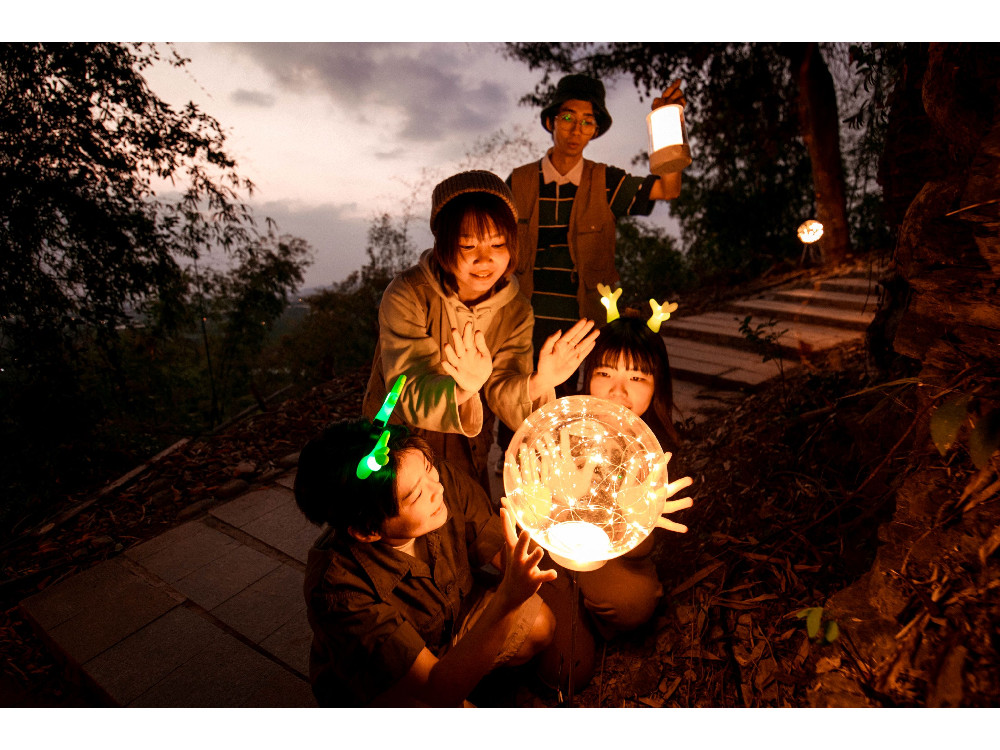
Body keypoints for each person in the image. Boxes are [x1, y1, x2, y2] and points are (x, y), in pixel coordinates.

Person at [362, 169, 598, 494]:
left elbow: (503, 390)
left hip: (469, 440)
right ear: (444, 244)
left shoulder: (515, 309)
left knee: (468, 521)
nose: (484, 259)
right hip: (397, 438)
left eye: (498, 244)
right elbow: (404, 391)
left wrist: (541, 381)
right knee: (399, 520)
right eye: (467, 245)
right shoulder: (407, 294)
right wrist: (461, 387)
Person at [294, 417, 558, 707]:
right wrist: (507, 599)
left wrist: (538, 517)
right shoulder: (338, 590)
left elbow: (506, 553)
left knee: (540, 624)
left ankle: (487, 685)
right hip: (387, 684)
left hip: (452, 624)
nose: (438, 488)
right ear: (368, 532)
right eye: (417, 494)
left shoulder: (440, 479)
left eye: (429, 469)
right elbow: (435, 691)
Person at [533, 311, 694, 692]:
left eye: (637, 378)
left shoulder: (657, 449)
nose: (618, 392)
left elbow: (643, 549)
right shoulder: (559, 425)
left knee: (634, 603)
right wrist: (558, 499)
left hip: (610, 564)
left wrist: (634, 514)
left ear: (657, 386)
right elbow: (529, 510)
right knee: (564, 673)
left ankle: (592, 610)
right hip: (550, 559)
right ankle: (563, 606)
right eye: (605, 373)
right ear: (587, 376)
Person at [506, 73, 688, 361]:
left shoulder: (606, 182)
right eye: (567, 118)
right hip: (523, 324)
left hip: (587, 324)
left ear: (595, 130)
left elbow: (668, 188)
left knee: (586, 403)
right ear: (551, 121)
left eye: (587, 121)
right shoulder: (518, 182)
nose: (576, 129)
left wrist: (668, 124)